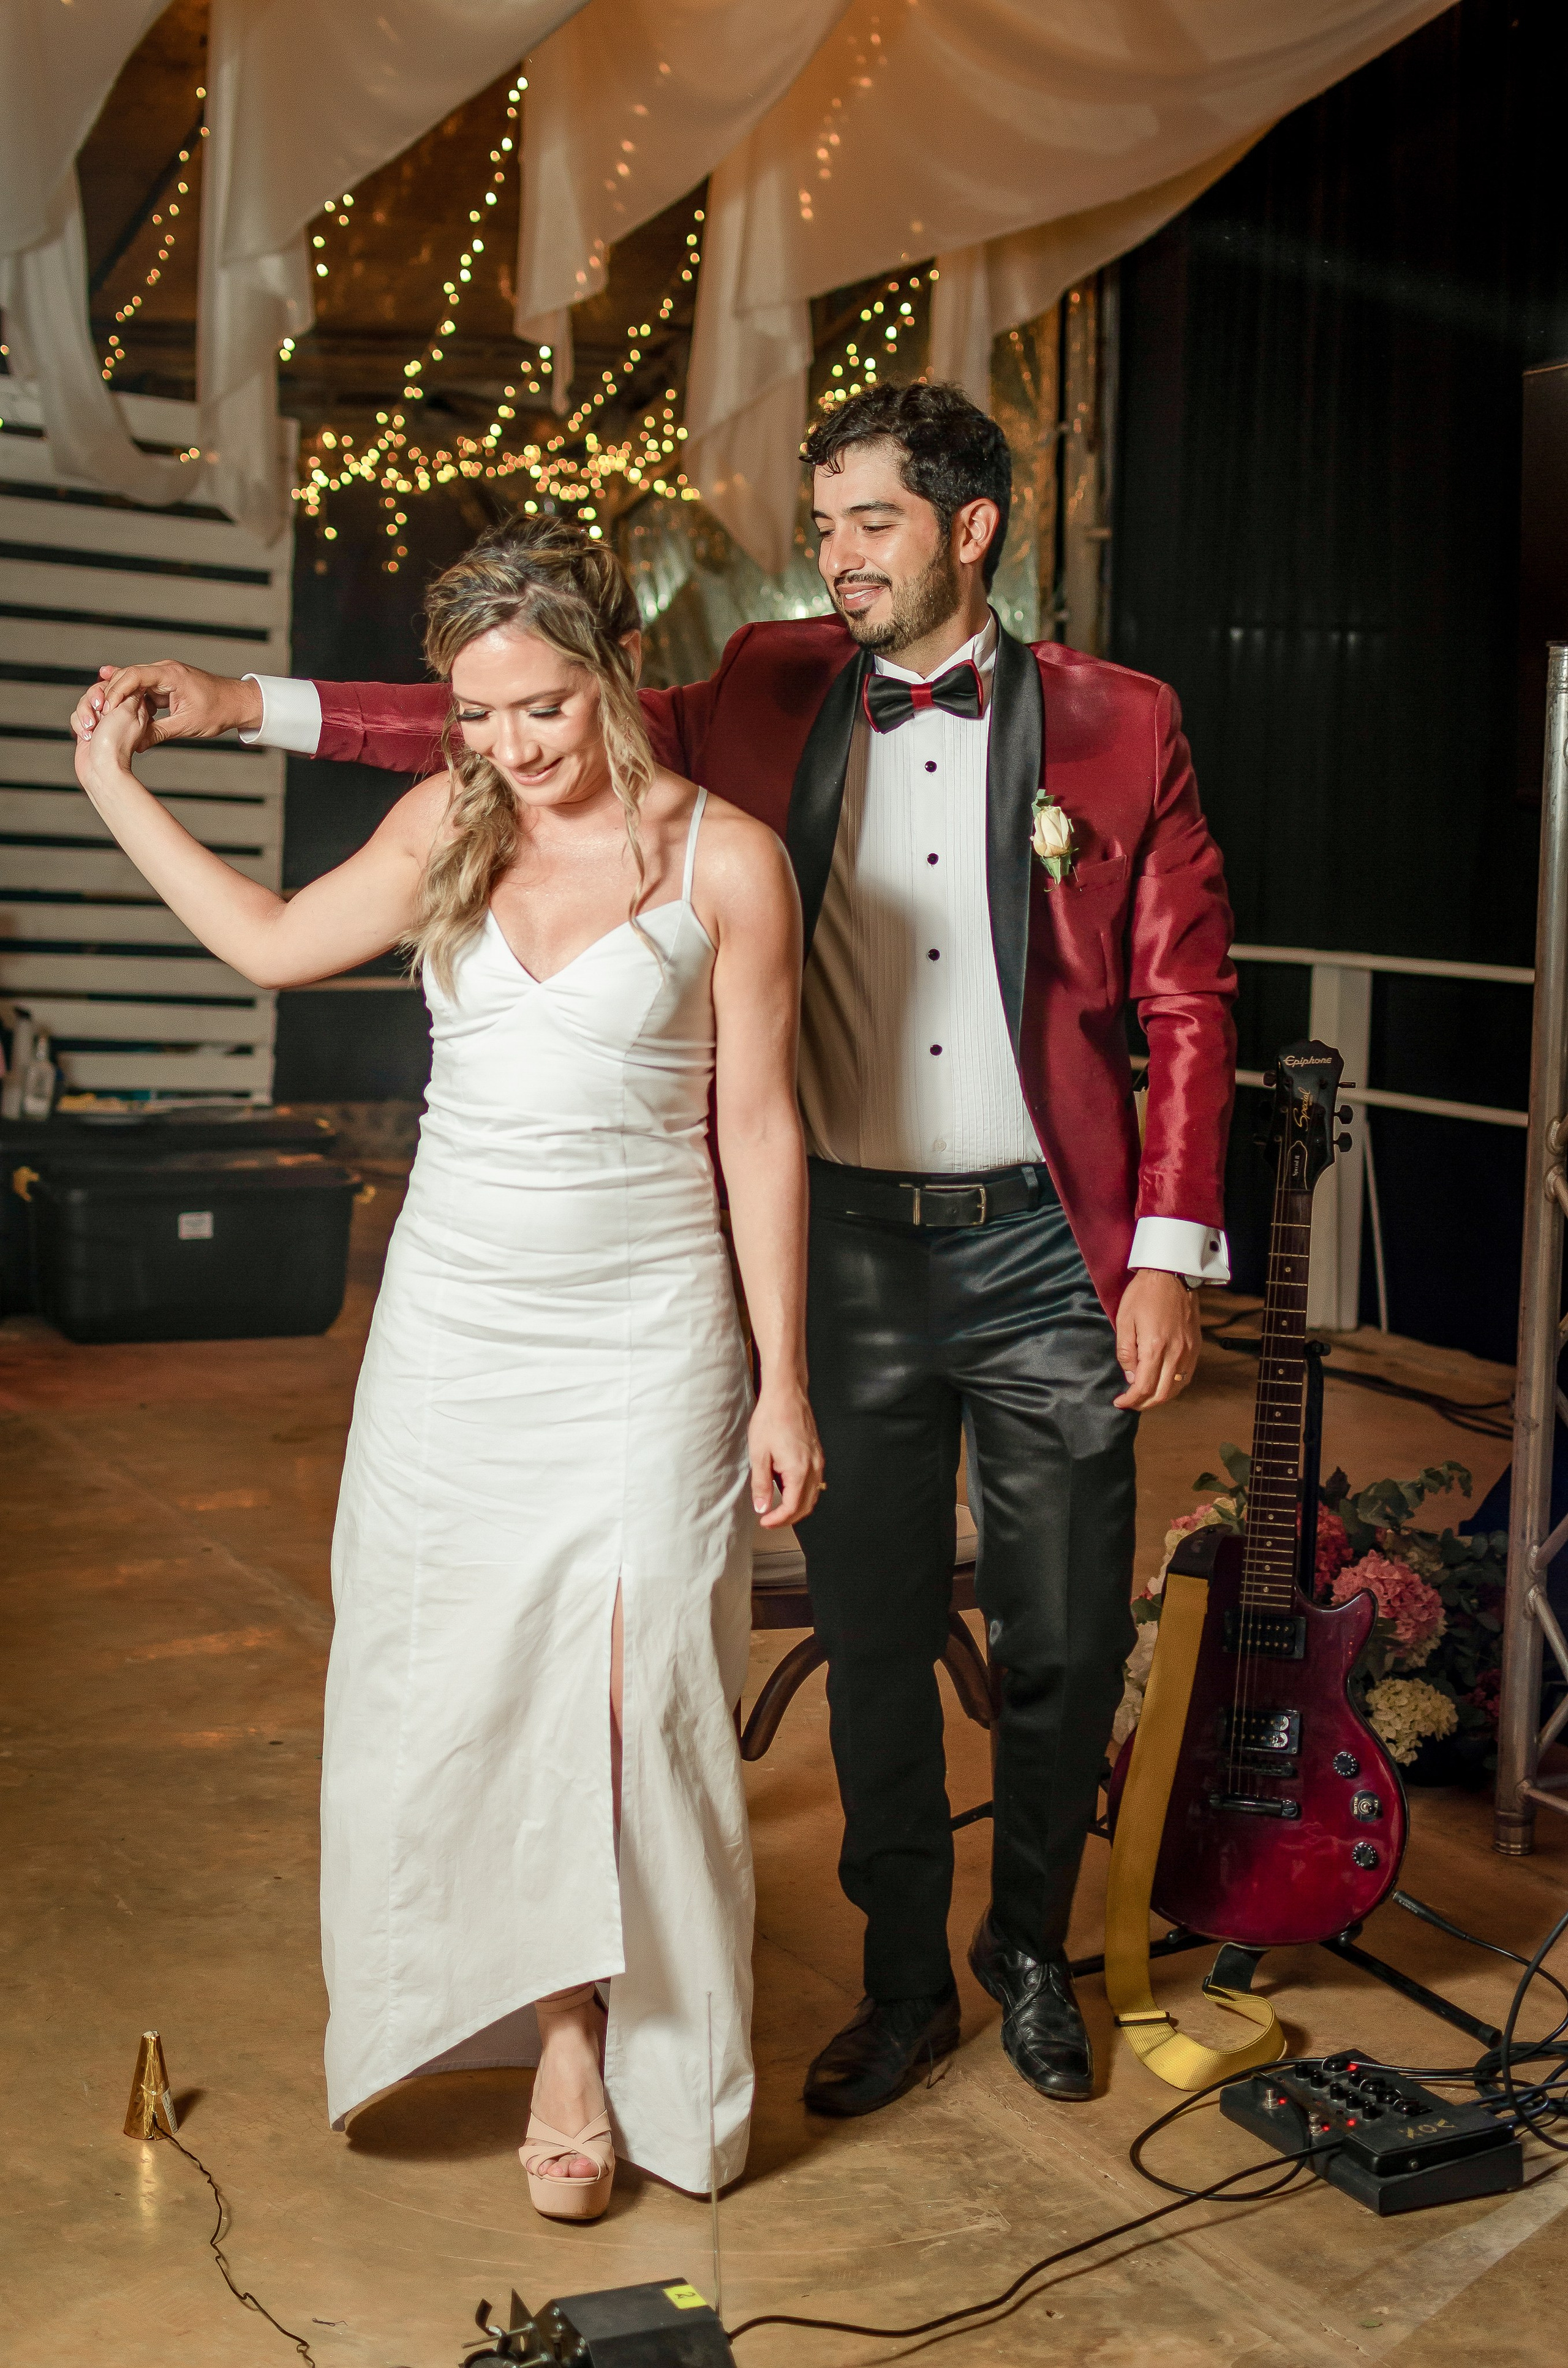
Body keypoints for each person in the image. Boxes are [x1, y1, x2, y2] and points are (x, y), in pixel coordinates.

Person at [77, 379, 1235, 2117]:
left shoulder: (1121, 724)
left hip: (1042, 1242)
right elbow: (499, 717)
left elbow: (1186, 992)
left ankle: (1030, 1960)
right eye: (825, 520)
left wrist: (1163, 1249)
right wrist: (247, 705)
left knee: (1063, 1625)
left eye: (872, 523)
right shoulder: (765, 684)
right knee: (872, 1623)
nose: (836, 555)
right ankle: (905, 1978)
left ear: (971, 528)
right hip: (837, 1235)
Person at [71, 517, 822, 2217]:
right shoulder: (445, 824)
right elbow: (266, 944)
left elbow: (765, 1129)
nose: (511, 747)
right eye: (477, 716)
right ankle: (560, 2037)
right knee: (469, 1682)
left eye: (540, 707)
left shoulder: (729, 862)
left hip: (648, 1326)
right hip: (455, 1332)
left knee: (642, 1699)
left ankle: (657, 2052)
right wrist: (119, 786)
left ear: (612, 675)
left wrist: (786, 1379)